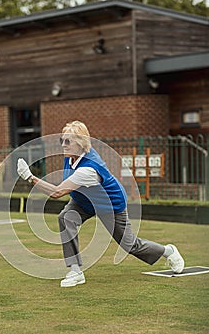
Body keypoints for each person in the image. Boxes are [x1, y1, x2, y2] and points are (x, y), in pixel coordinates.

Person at [17, 120, 184, 287]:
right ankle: (75, 271)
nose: (63, 145)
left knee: (129, 245)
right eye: (62, 140)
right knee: (66, 218)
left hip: (109, 204)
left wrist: (30, 177)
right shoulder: (71, 156)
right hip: (84, 201)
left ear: (81, 144)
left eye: (68, 141)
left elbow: (57, 192)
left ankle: (168, 251)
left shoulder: (88, 170)